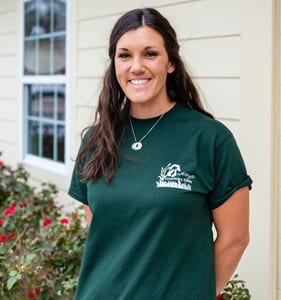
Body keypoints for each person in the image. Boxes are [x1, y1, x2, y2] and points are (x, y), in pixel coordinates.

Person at [68, 7, 252, 300]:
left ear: (171, 64)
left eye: (150, 54)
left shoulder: (209, 139)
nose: (136, 66)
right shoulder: (96, 140)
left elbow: (235, 239)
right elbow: (102, 230)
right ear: (114, 64)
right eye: (124, 55)